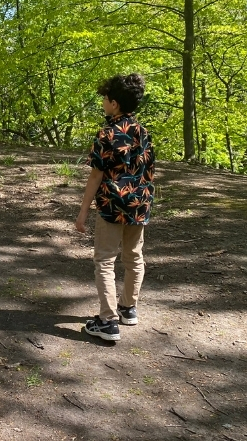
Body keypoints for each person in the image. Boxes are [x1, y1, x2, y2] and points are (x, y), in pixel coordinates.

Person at [75, 74, 155, 341]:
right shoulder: (143, 132)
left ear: (115, 104)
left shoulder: (107, 133)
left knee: (105, 260)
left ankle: (107, 322)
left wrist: (83, 211)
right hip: (139, 204)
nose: (103, 103)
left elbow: (95, 176)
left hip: (113, 204)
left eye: (105, 99)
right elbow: (149, 171)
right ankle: (128, 308)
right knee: (134, 257)